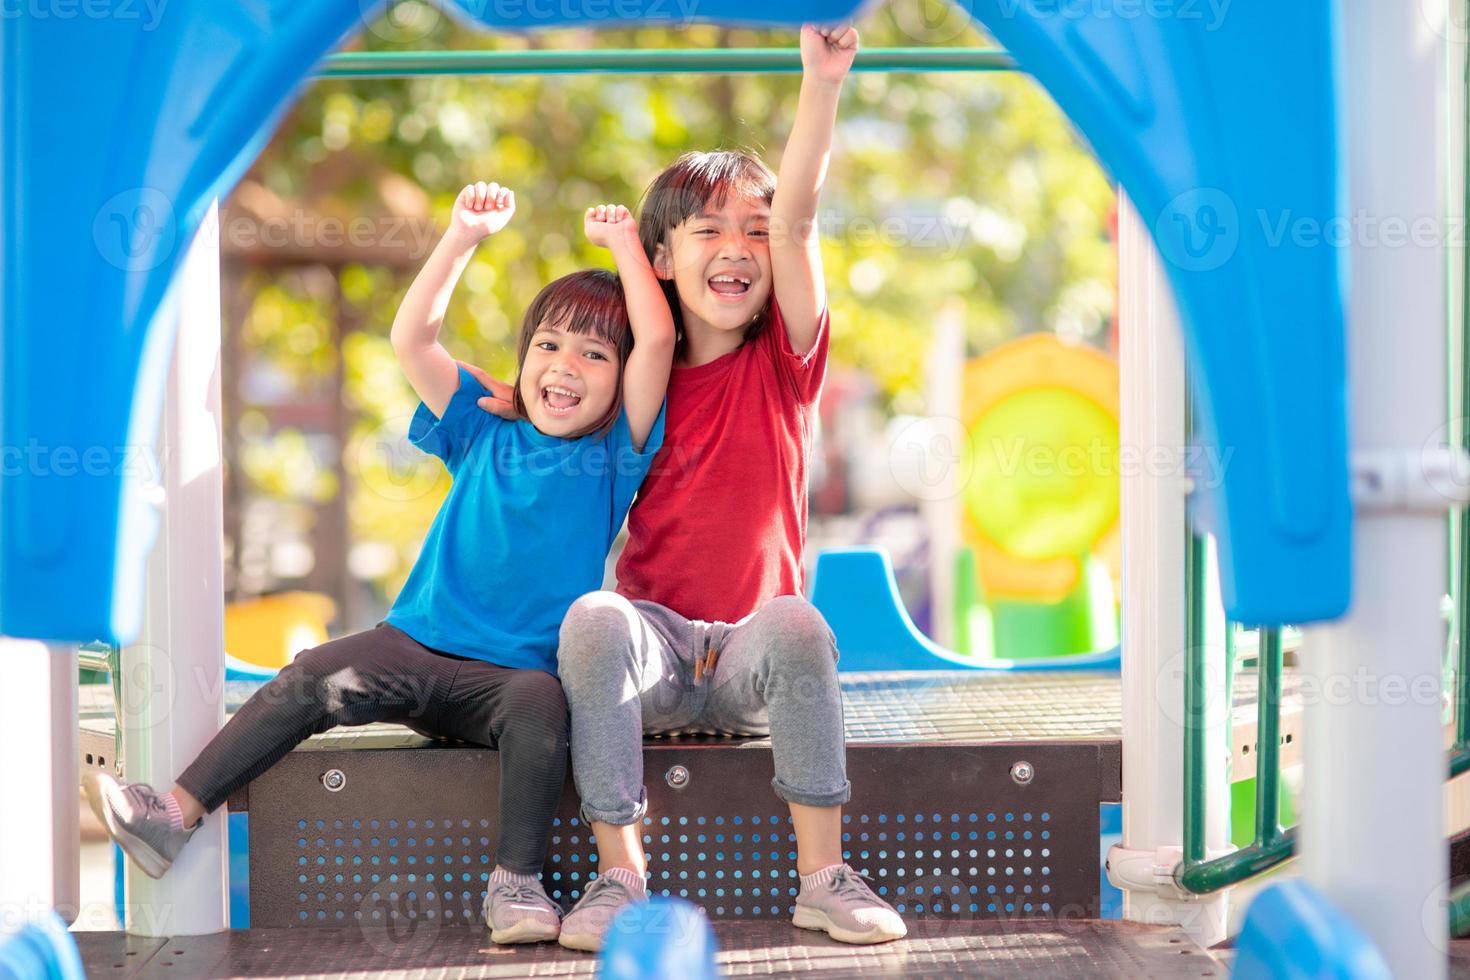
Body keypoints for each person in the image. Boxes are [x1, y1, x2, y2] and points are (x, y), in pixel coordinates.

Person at [83, 183, 675, 946]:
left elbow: (656, 342)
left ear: (620, 380)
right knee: (310, 673)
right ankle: (173, 814)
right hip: (412, 649)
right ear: (524, 360)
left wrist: (626, 245)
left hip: (510, 680)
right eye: (549, 346)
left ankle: (517, 885)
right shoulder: (482, 429)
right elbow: (414, 341)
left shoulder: (612, 455)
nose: (565, 366)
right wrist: (461, 235)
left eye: (594, 354)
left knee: (542, 711)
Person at [469, 26, 907, 952]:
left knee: (799, 619)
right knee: (592, 613)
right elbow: (558, 404)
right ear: (663, 258)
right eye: (709, 229)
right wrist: (514, 404)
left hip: (748, 658)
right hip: (654, 658)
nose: (738, 245)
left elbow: (799, 218)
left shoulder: (787, 364)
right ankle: (620, 876)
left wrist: (819, 86)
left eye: (752, 229)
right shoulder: (642, 376)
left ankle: (823, 877)